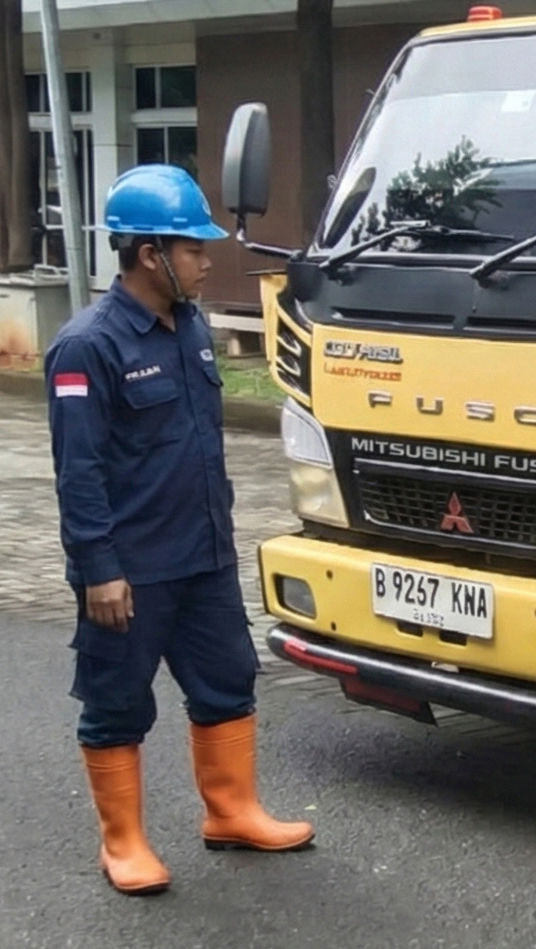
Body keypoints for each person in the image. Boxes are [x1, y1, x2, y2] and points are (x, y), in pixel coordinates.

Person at [44, 164, 313, 897]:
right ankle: (123, 843)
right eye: (193, 249)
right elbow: (78, 473)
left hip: (204, 555)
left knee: (227, 683)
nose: (206, 261)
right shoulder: (87, 347)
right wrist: (99, 569)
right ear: (148, 254)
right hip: (130, 570)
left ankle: (231, 812)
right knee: (117, 703)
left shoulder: (190, 326)